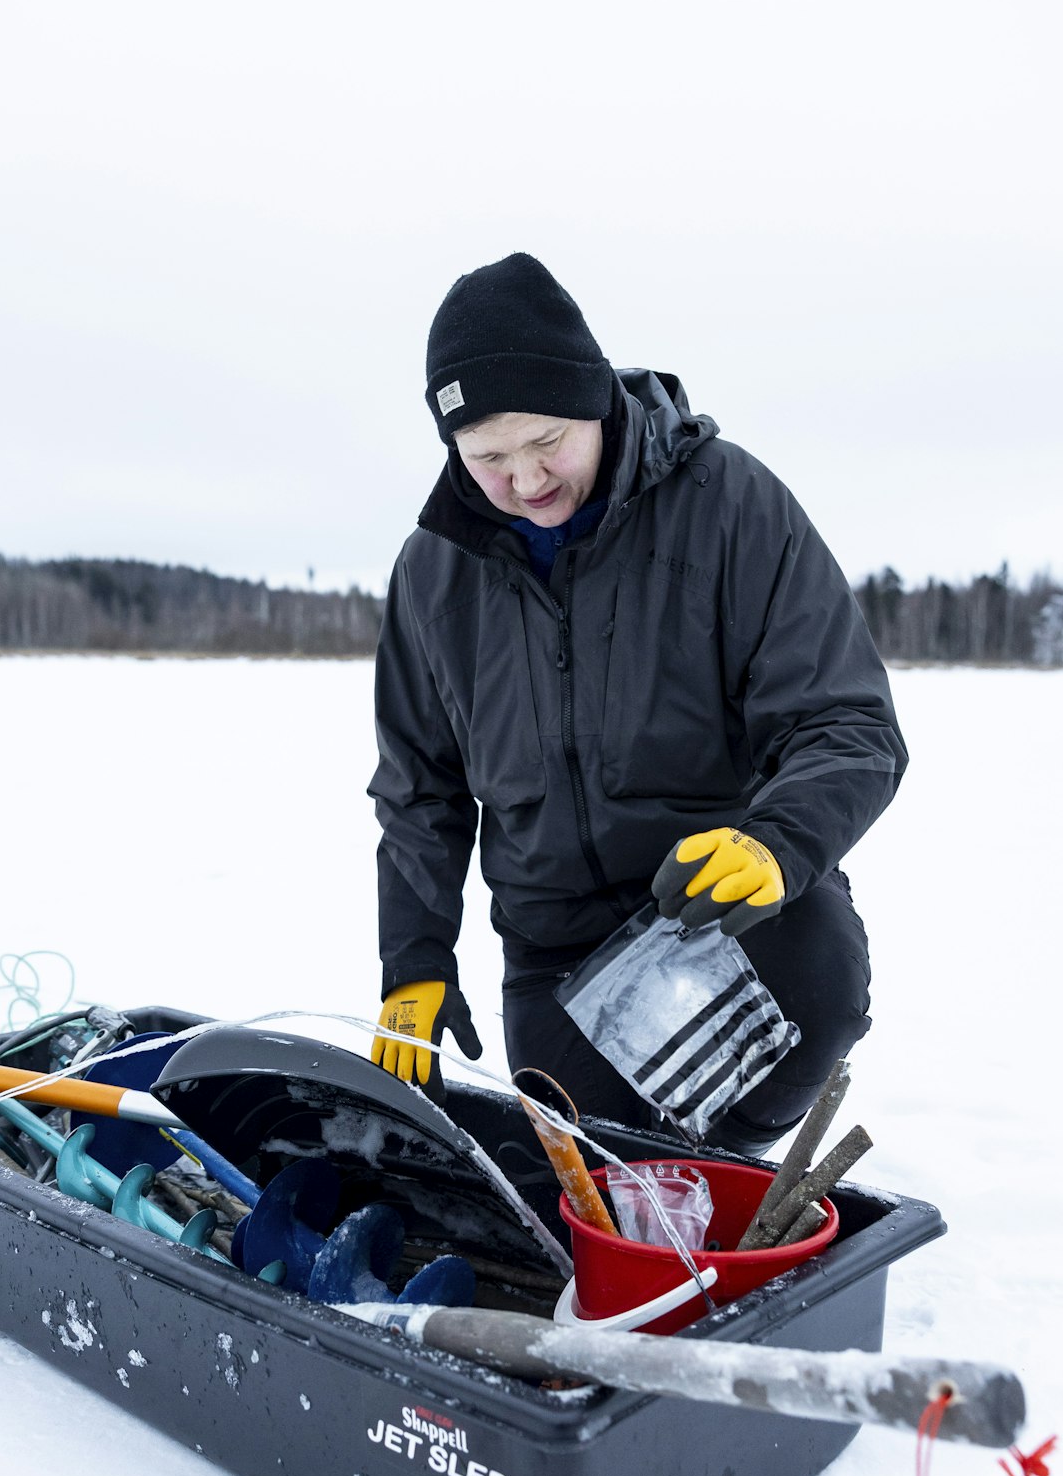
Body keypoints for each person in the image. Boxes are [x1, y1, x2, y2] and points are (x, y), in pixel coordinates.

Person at [368, 253, 907, 1153]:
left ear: (594, 402)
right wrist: (414, 960)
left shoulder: (729, 504)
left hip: (715, 903)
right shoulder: (433, 572)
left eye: (546, 442)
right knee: (593, 1170)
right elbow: (419, 787)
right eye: (489, 457)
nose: (525, 480)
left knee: (813, 986)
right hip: (555, 952)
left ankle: (727, 1161)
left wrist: (777, 844)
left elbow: (847, 722)